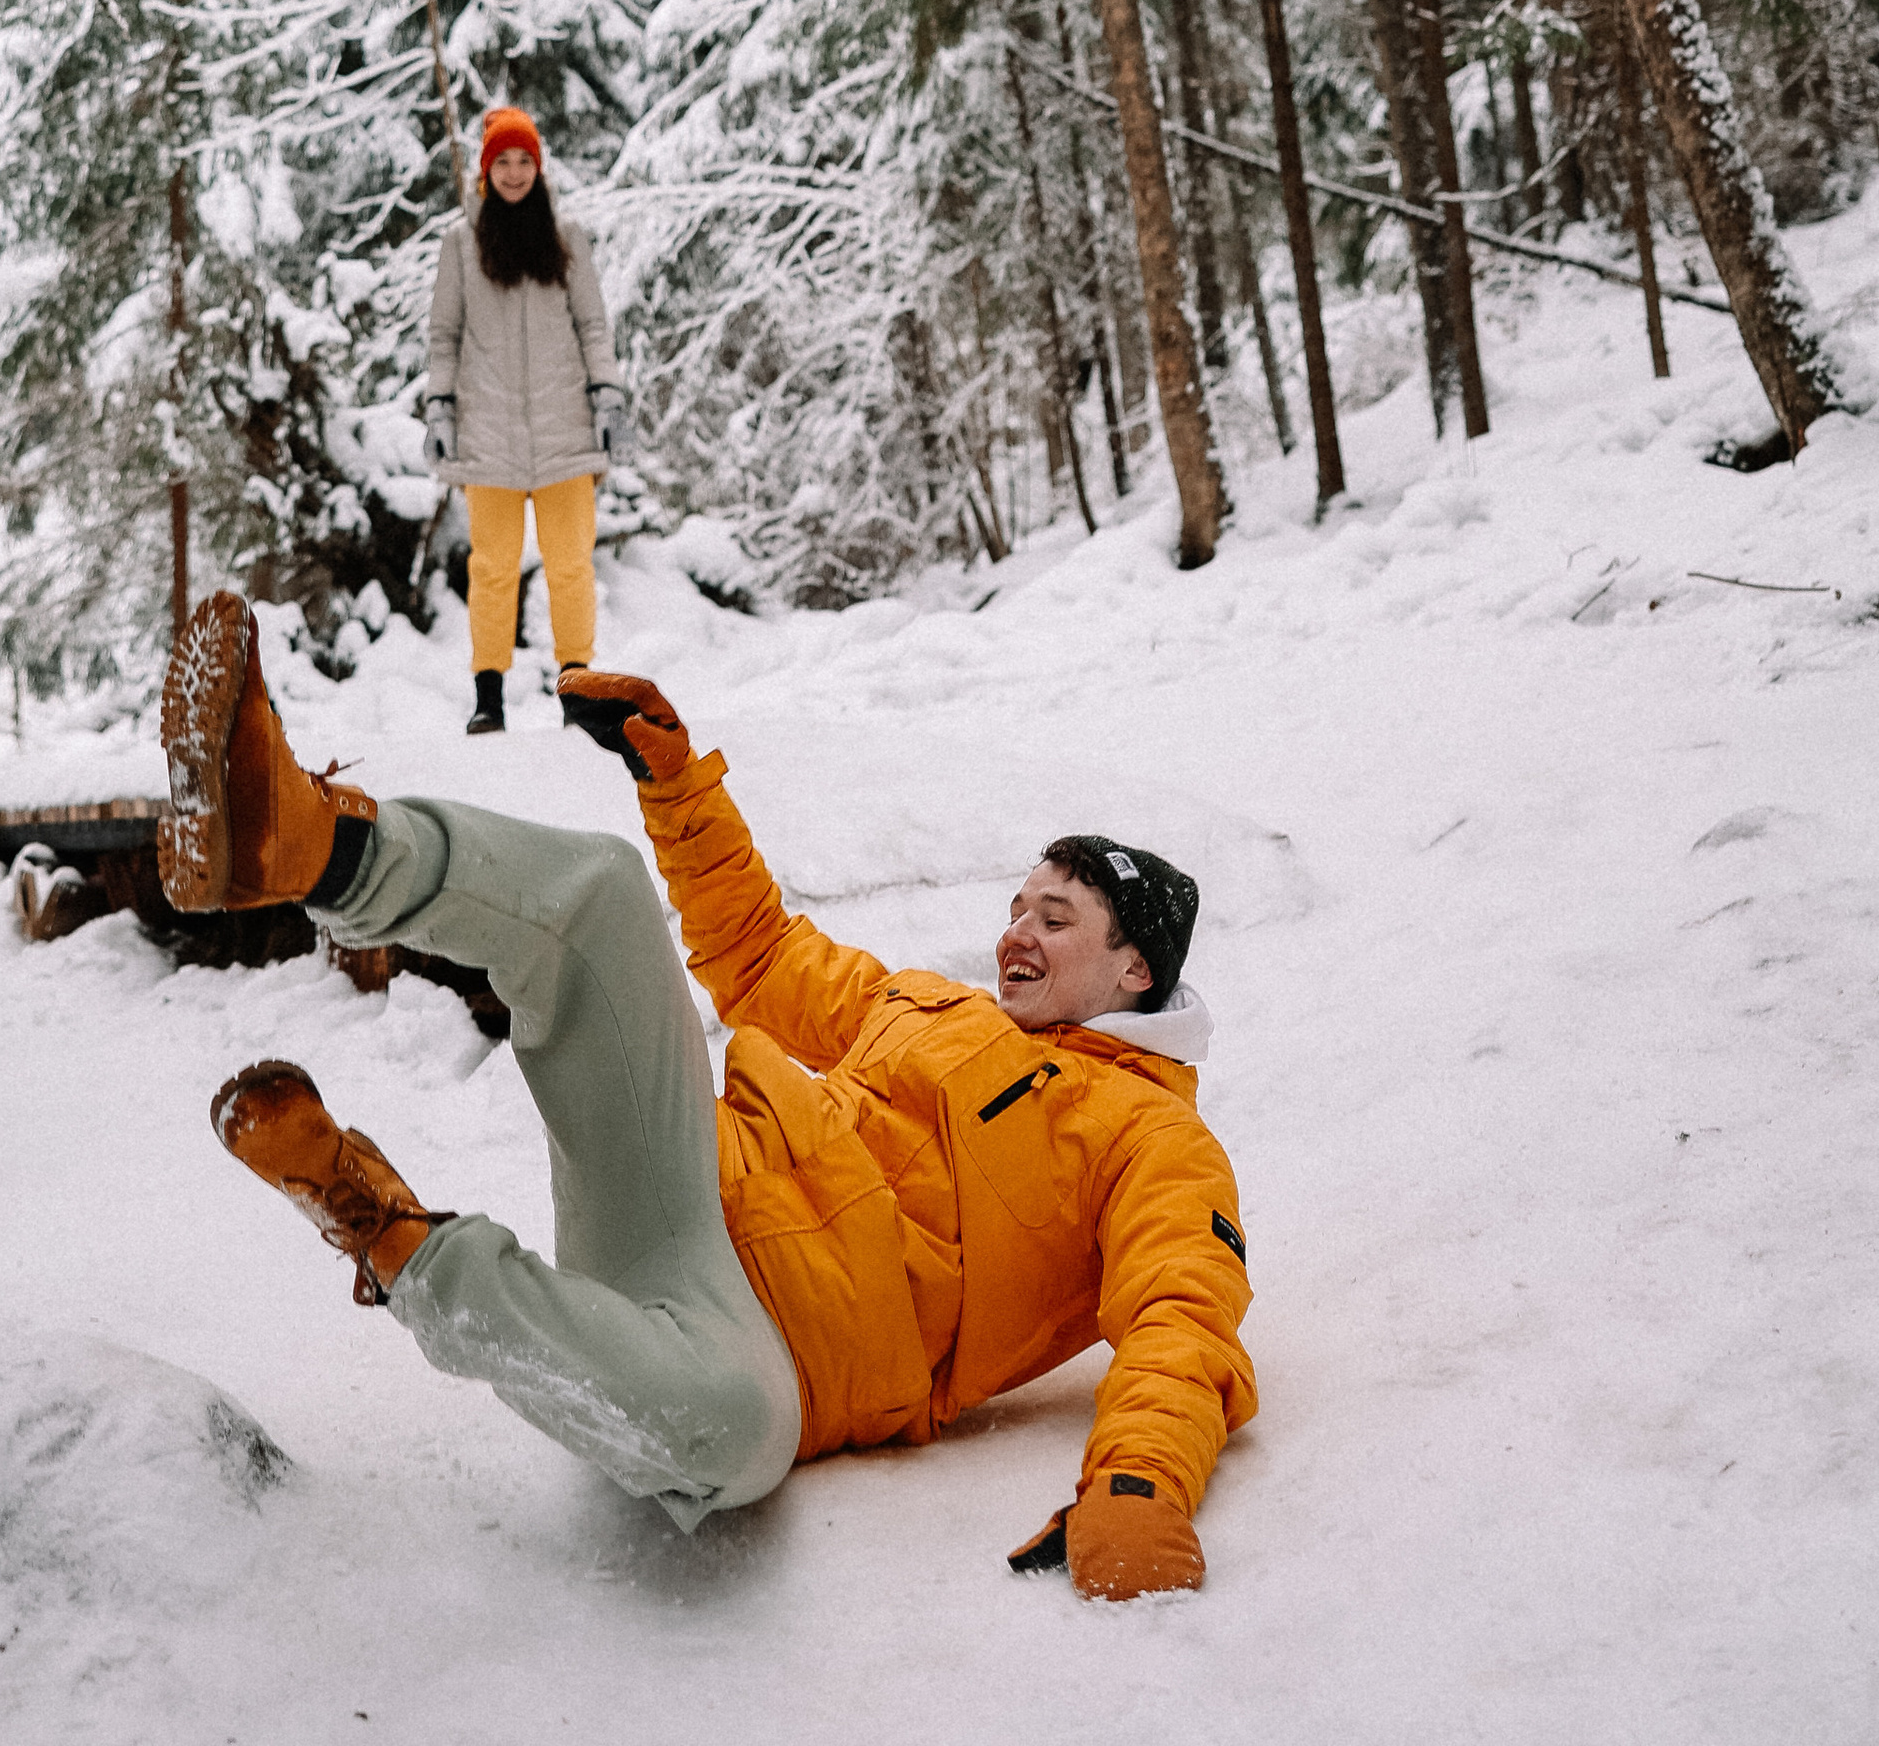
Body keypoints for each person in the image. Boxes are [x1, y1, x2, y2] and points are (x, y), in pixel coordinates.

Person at [158, 590, 1255, 1599]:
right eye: (1019, 906)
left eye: (1054, 919)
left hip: (762, 1350)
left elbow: (1180, 1320)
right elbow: (759, 955)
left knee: (733, 1437)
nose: (1015, 931)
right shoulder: (934, 1008)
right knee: (600, 893)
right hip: (681, 1176)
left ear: (1135, 972)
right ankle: (308, 843)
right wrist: (674, 782)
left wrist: (1140, 1486)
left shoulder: (1155, 1140)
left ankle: (387, 1236)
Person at [422, 106, 624, 734]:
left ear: (539, 167)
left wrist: (607, 395)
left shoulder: (567, 240)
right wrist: (439, 408)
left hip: (566, 431)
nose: (514, 173)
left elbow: (593, 325)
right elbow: (443, 336)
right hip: (488, 437)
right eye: (502, 162)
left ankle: (579, 695)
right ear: (486, 172)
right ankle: (489, 698)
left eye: (524, 161)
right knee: (492, 570)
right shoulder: (461, 246)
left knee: (570, 566)